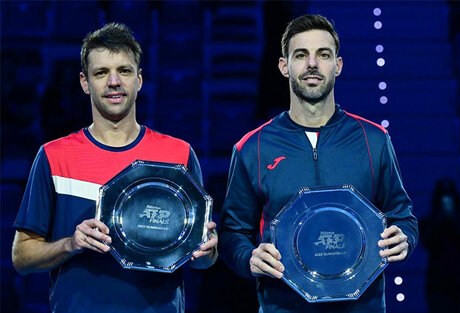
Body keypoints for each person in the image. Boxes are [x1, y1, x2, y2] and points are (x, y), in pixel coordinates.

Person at [11, 23, 218, 313]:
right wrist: (71, 243)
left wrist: (208, 251)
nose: (113, 82)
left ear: (139, 79)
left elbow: (203, 258)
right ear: (84, 82)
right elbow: (21, 256)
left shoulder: (179, 155)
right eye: (101, 73)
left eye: (124, 70)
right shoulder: (53, 156)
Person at [219, 14, 418, 313]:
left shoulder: (374, 140)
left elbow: (403, 218)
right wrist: (248, 257)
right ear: (284, 67)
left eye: (323, 55)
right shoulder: (252, 147)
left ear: (337, 65)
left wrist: (405, 239)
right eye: (301, 55)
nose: (312, 64)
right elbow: (233, 232)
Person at [420, 178, 460, 313]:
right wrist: (441, 219)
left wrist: (454, 218)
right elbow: (428, 242)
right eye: (443, 197)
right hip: (438, 282)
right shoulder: (429, 222)